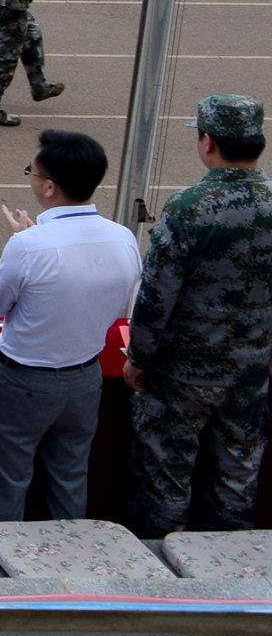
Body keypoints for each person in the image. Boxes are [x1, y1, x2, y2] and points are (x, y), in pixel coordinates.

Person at [126, 94, 272, 538]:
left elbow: (156, 296)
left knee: (166, 479)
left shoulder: (189, 208)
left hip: (182, 373)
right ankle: (224, 567)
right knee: (237, 478)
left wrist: (139, 357)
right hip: (250, 370)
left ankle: (163, 565)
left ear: (208, 142)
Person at [0, 127, 137, 523]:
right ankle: (72, 550)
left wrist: (23, 242)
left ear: (49, 187)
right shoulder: (123, 238)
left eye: (31, 171)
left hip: (23, 380)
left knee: (7, 480)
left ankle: (4, 552)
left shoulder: (29, 245)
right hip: (85, 377)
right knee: (70, 477)